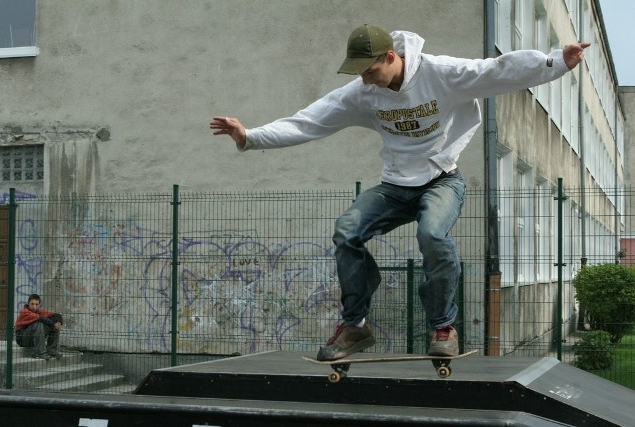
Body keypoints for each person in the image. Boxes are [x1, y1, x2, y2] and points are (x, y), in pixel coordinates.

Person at [210, 24, 590, 361]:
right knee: (347, 231)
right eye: (360, 74)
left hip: (442, 180)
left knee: (432, 234)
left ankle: (443, 328)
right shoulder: (361, 92)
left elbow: (495, 71)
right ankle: (355, 325)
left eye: (372, 70)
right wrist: (251, 137)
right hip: (394, 186)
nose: (366, 80)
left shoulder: (441, 73)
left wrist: (555, 62)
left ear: (392, 56)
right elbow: (310, 121)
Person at [15, 294, 63, 360]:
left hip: (33, 338)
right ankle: (40, 352)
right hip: (22, 339)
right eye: (32, 304)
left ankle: (52, 350)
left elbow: (55, 315)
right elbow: (40, 318)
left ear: (39, 304)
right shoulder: (24, 312)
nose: (34, 306)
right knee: (39, 323)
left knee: (54, 325)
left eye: (36, 304)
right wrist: (53, 323)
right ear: (28, 303)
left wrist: (58, 322)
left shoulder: (39, 311)